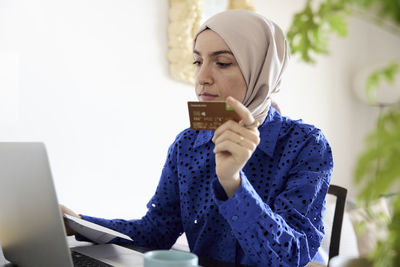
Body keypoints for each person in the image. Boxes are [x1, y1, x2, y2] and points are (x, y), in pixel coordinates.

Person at [62, 10, 333, 267]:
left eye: (222, 62)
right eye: (197, 61)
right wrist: (78, 223)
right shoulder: (187, 144)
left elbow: (290, 258)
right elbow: (156, 230)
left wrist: (234, 184)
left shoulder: (306, 145)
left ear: (262, 70)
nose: (202, 78)